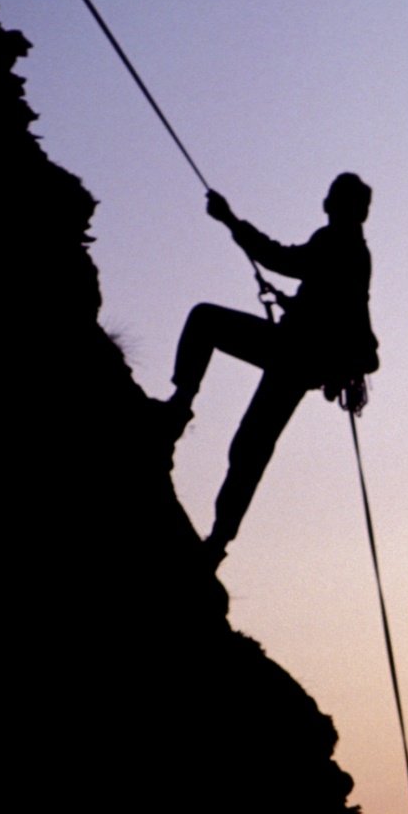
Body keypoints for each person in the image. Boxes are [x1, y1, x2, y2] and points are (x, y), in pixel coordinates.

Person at [160, 172, 380, 564]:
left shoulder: (336, 243)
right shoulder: (352, 250)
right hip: (300, 359)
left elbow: (279, 258)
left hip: (293, 355)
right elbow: (330, 307)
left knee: (206, 322)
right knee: (251, 446)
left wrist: (229, 220)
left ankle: (180, 404)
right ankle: (219, 541)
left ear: (337, 205)